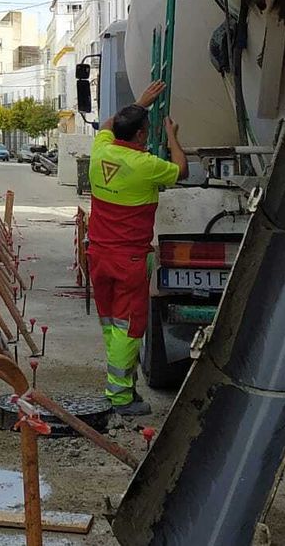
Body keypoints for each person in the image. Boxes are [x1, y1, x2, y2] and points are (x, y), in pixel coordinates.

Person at [87, 80, 187, 416]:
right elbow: (181, 170)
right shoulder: (146, 166)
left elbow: (106, 126)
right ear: (142, 136)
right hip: (128, 259)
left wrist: (140, 103)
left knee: (112, 324)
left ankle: (123, 386)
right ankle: (120, 397)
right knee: (129, 326)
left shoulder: (100, 151)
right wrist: (172, 136)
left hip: (98, 254)